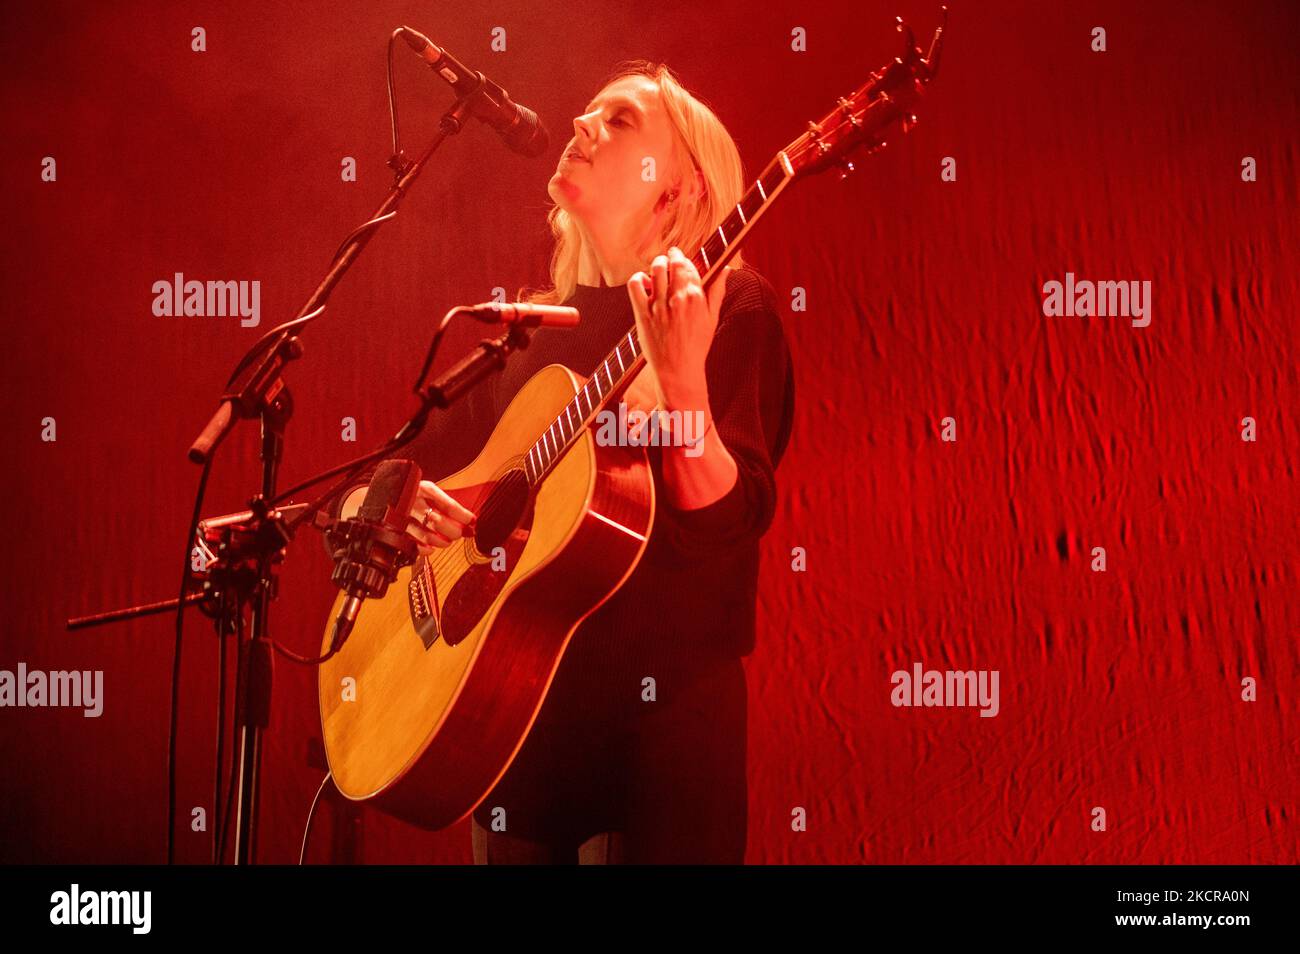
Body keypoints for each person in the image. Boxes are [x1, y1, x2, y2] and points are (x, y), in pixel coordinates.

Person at [361, 61, 794, 863]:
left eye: (620, 121)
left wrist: (681, 383)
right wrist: (413, 506)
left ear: (678, 189)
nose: (580, 128)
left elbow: (726, 520)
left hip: (660, 717)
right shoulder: (542, 326)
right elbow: (417, 465)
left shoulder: (733, 307)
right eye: (587, 114)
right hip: (518, 698)